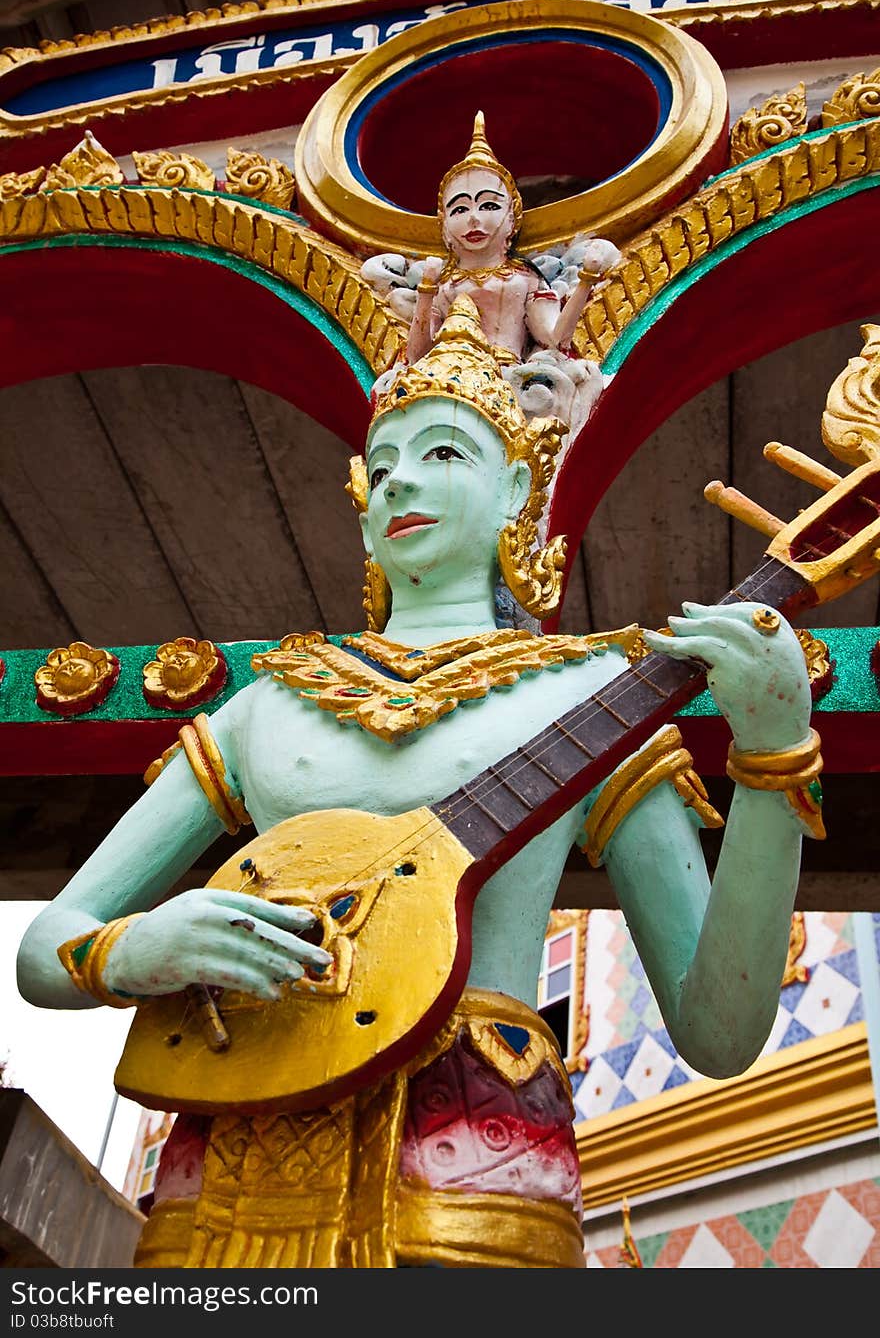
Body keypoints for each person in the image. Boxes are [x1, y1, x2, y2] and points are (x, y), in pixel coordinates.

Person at [16, 297, 821, 1270]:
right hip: (231, 1141)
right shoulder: (270, 702)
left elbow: (717, 1028)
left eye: (441, 452)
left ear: (517, 482)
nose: (400, 479)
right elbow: (45, 947)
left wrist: (774, 754)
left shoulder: (593, 692)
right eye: (382, 464)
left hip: (473, 1150)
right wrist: (137, 944)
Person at [405, 112, 618, 369]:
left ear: (512, 219)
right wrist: (427, 288)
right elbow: (418, 357)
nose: (474, 219)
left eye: (489, 205)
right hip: (451, 375)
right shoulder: (447, 285)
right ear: (445, 226)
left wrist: (586, 278)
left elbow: (554, 339)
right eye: (460, 209)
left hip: (507, 380)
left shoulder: (523, 278)